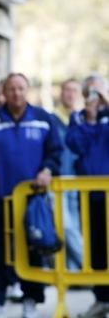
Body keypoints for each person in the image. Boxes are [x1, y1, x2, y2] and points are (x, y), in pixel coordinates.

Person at [0, 73, 62, 318]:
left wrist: (47, 170)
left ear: (27, 90)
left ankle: (31, 299)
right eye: (11, 89)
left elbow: (55, 152)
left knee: (33, 250)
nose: (16, 93)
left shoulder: (43, 119)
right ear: (3, 92)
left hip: (32, 200)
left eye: (21, 88)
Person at [67, 74, 109, 318]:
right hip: (91, 195)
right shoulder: (79, 118)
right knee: (96, 248)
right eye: (89, 92)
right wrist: (90, 120)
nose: (94, 96)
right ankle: (102, 299)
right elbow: (76, 146)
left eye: (98, 91)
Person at [53, 78, 83, 271]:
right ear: (61, 93)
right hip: (59, 179)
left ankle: (73, 272)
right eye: (67, 90)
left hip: (79, 180)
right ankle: (85, 263)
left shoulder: (81, 119)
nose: (70, 94)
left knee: (75, 225)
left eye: (74, 90)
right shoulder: (52, 119)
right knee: (65, 225)